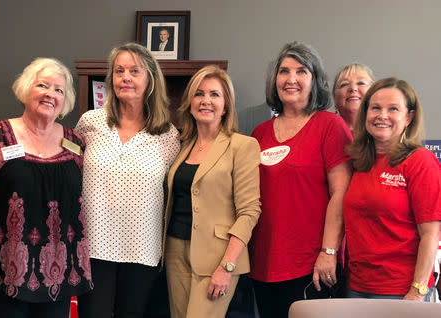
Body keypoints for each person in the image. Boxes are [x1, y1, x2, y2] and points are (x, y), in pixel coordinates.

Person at [75, 42, 180, 317]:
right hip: (93, 247)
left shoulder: (167, 135)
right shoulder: (90, 122)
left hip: (143, 250)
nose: (126, 77)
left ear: (150, 79)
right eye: (119, 71)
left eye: (135, 71)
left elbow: (175, 194)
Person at [249, 41, 352, 317]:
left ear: (315, 79)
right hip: (263, 264)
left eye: (301, 71)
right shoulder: (259, 134)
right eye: (284, 71)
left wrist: (329, 252)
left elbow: (341, 194)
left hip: (312, 266)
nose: (291, 79)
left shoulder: (330, 126)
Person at [0, 57, 92, 318]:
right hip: (7, 271)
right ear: (26, 89)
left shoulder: (77, 143)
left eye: (59, 90)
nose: (50, 94)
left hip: (57, 274)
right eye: (43, 86)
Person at [163, 65, 261, 318]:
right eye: (199, 94)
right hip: (175, 251)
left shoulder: (243, 146)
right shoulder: (182, 145)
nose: (206, 100)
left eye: (214, 95)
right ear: (189, 102)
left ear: (226, 105)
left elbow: (249, 212)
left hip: (218, 258)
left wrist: (227, 267)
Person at [344, 77, 441, 300]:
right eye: (375, 108)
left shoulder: (420, 162)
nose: (382, 115)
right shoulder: (359, 163)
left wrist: (417, 292)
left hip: (401, 291)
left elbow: (430, 234)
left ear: (409, 117)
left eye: (393, 109)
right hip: (357, 286)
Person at [333, 63, 374, 133]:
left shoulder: (384, 134)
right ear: (335, 99)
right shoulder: (323, 132)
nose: (353, 88)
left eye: (361, 83)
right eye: (344, 84)